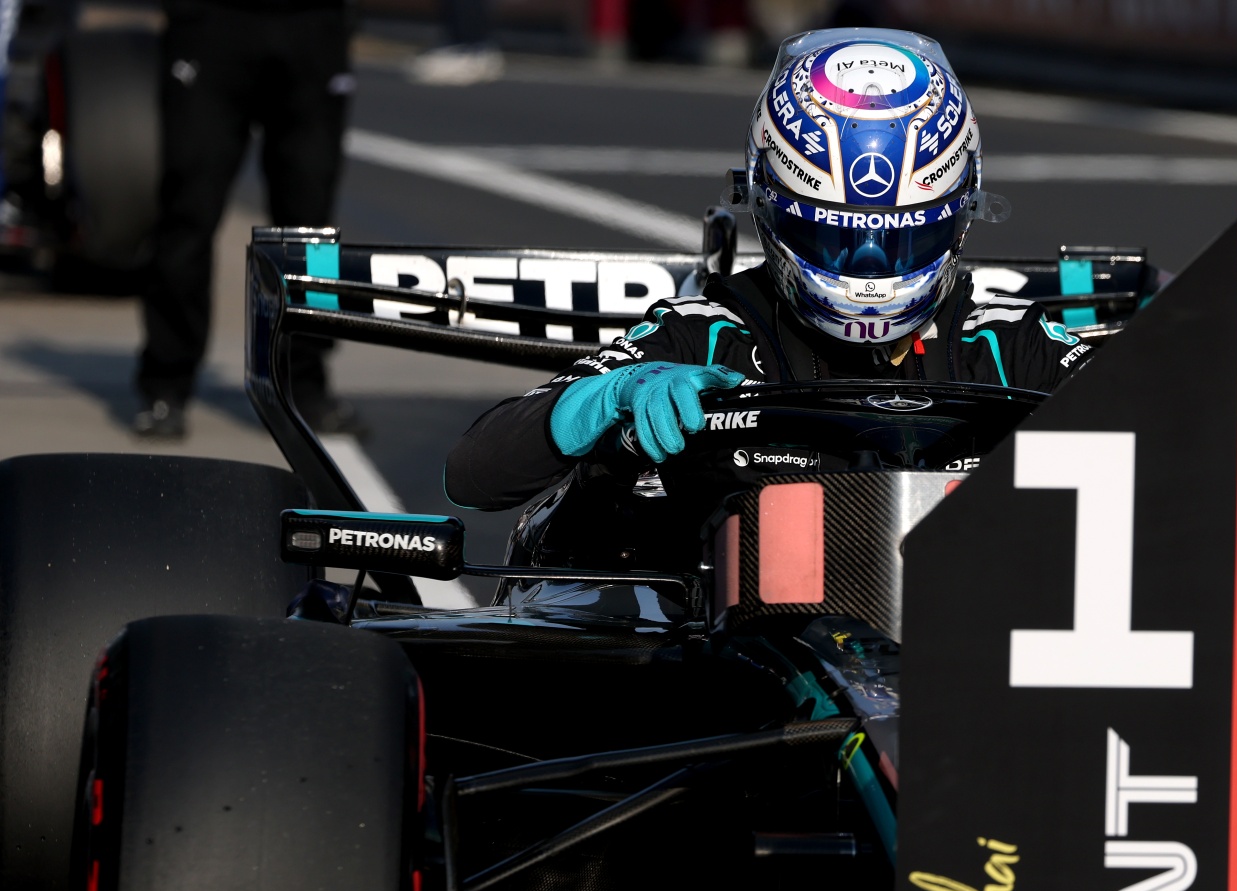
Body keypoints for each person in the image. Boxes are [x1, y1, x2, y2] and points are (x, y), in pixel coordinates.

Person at [444, 32, 1093, 521]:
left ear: (960, 213)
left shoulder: (1011, 348)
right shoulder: (706, 338)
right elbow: (473, 474)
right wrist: (609, 397)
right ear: (769, 207)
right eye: (835, 236)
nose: (868, 266)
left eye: (903, 237)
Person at [135, 0, 359, 437]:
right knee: (187, 212)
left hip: (314, 25)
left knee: (309, 226)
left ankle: (305, 384)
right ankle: (166, 383)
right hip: (211, 24)